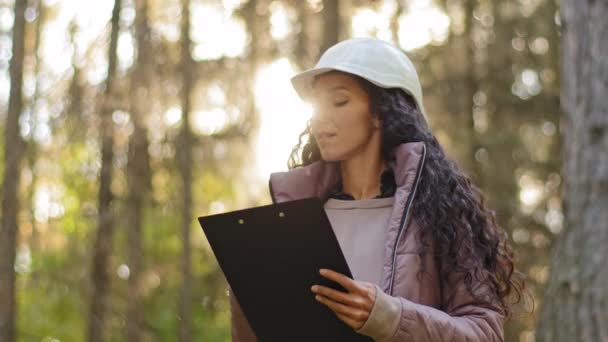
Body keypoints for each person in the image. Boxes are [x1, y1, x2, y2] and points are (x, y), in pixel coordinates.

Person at [230, 37, 524, 341]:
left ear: (381, 113)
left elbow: (485, 333)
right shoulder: (293, 219)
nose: (318, 118)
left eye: (340, 101)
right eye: (316, 105)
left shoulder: (441, 216)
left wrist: (392, 318)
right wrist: (247, 295)